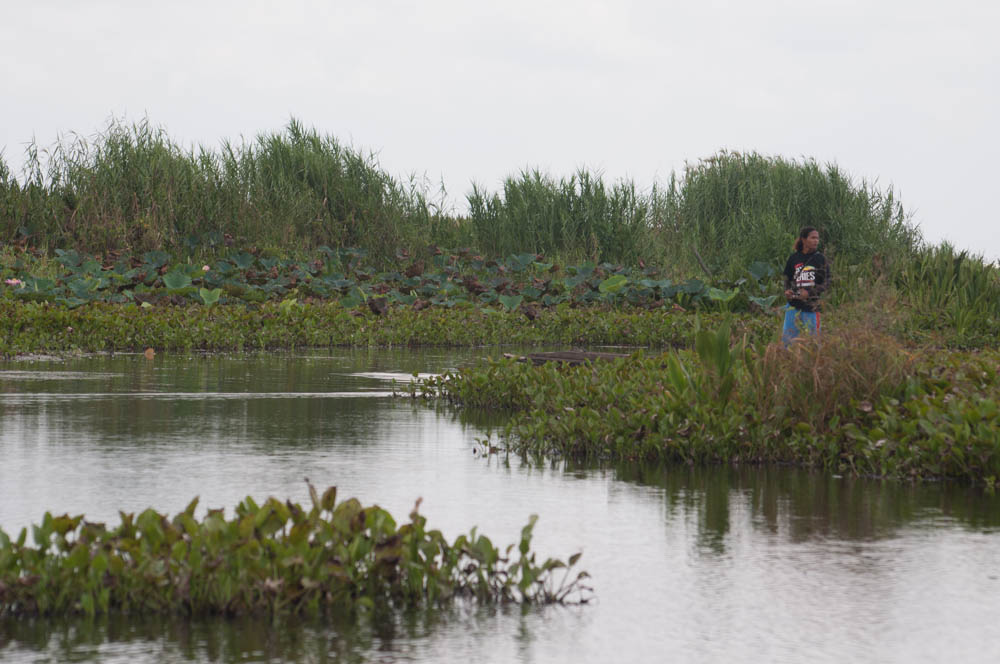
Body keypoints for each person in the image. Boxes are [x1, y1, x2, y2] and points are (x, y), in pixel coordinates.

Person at [782, 227, 829, 346]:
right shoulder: (794, 258)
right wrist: (787, 291)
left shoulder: (820, 259)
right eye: (813, 238)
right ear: (804, 239)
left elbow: (827, 282)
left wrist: (809, 293)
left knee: (814, 343)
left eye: (817, 238)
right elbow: (787, 278)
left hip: (811, 308)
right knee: (788, 342)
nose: (816, 241)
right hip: (793, 306)